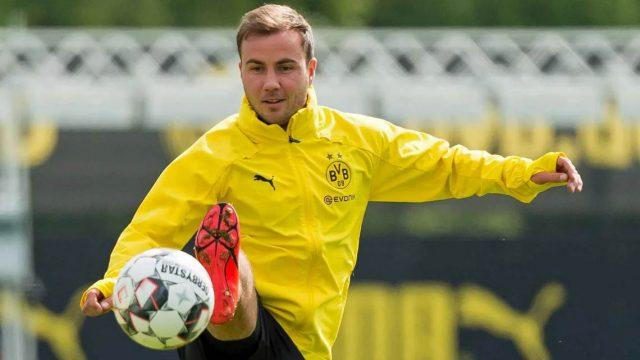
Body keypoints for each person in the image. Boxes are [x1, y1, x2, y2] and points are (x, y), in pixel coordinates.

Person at [80, 4, 583, 360]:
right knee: (235, 275)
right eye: (256, 69)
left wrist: (522, 173)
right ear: (240, 72)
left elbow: (447, 164)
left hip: (307, 343)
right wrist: (111, 283)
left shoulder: (358, 141)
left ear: (310, 70)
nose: (270, 83)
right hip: (231, 331)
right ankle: (223, 283)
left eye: (284, 67)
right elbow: (152, 228)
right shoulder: (217, 152)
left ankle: (223, 282)